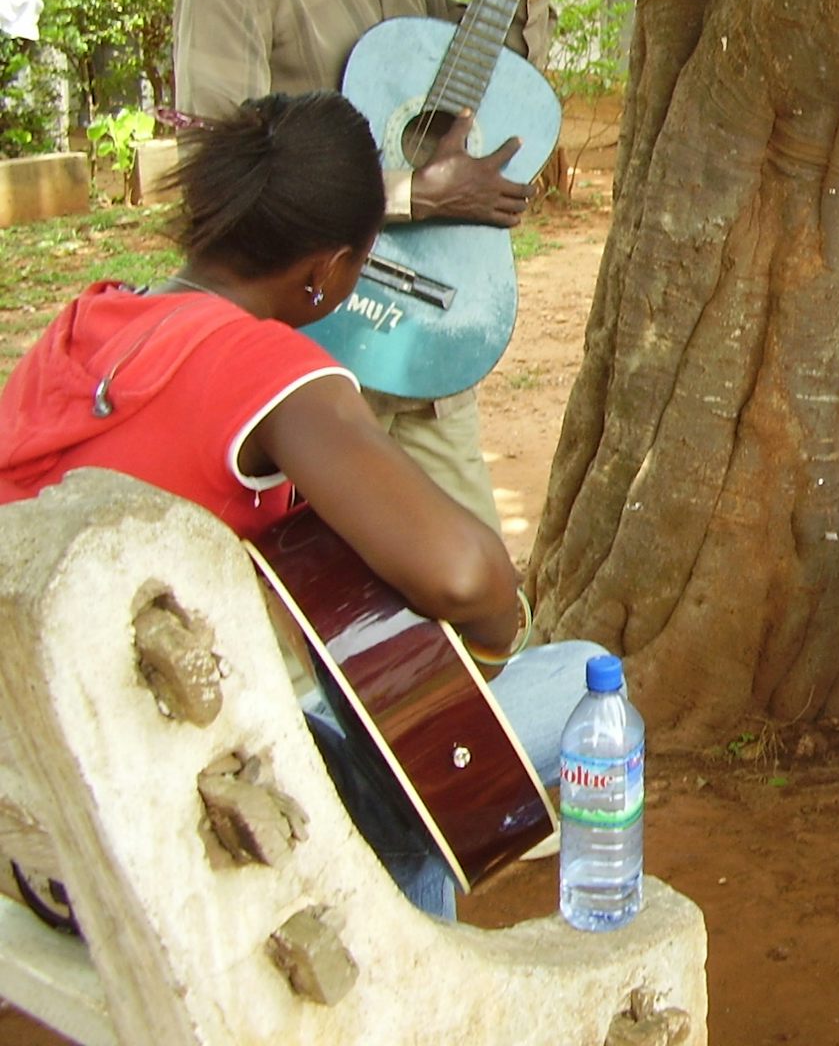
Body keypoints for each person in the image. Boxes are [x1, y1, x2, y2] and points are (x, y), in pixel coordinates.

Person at [0, 93, 599, 920]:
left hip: (45, 814)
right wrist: (496, 643)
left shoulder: (84, 323)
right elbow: (464, 577)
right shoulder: (263, 367)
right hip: (174, 832)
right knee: (577, 682)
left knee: (370, 741)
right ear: (325, 270)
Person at [173, 0, 593, 532]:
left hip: (430, 321)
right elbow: (220, 187)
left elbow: (455, 74)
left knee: (471, 588)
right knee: (335, 586)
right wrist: (414, 197)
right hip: (315, 337)